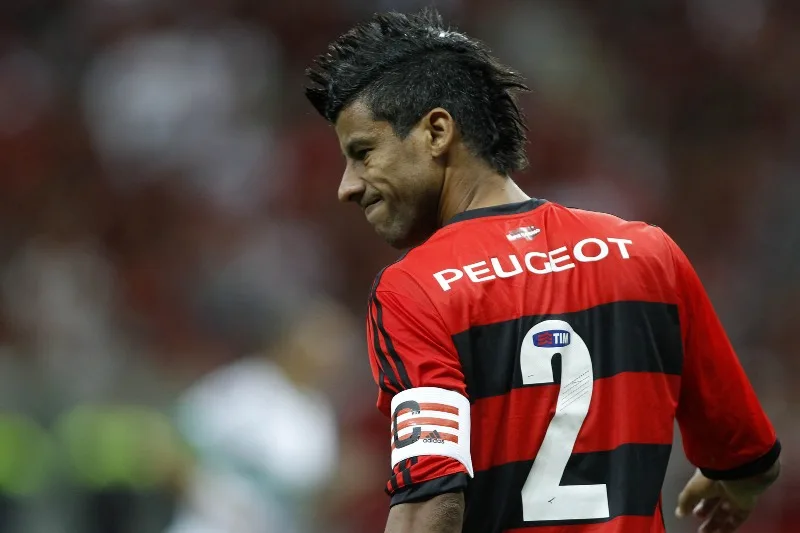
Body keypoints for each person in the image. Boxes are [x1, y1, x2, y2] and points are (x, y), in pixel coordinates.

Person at [304, 8, 780, 533]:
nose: (347, 185)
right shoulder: (647, 253)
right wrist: (736, 485)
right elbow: (750, 457)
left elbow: (429, 504)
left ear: (437, 132)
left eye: (363, 153)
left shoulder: (416, 289)